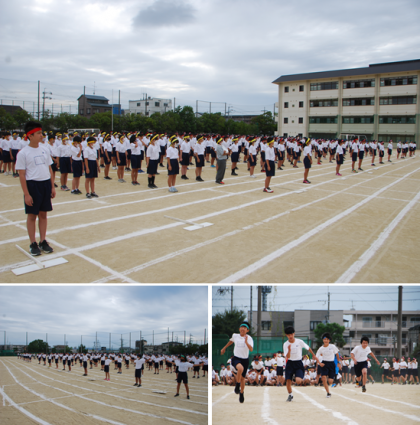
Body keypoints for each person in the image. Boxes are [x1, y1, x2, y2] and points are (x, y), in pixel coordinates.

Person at [16, 121, 56, 256]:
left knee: (43, 214)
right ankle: (33, 243)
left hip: (45, 184)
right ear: (30, 136)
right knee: (32, 215)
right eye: (38, 133)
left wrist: (52, 186)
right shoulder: (23, 153)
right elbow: (22, 174)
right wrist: (26, 194)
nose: (41, 135)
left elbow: (49, 168)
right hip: (33, 185)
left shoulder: (45, 149)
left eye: (41, 132)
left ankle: (43, 241)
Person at [220, 321, 253, 403]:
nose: (243, 329)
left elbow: (251, 349)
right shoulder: (235, 335)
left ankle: (241, 393)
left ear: (247, 330)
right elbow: (231, 341)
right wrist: (224, 348)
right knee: (240, 368)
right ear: (239, 329)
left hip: (245, 359)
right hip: (236, 358)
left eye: (245, 328)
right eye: (241, 327)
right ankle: (237, 385)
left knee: (243, 378)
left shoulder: (249, 338)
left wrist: (246, 342)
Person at [283, 326, 319, 402]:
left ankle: (296, 376)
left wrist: (314, 355)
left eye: (291, 334)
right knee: (288, 381)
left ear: (294, 333)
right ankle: (290, 395)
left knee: (298, 381)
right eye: (288, 335)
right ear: (286, 335)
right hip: (290, 363)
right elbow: (287, 356)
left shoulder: (299, 341)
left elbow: (308, 348)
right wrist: (289, 350)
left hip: (298, 363)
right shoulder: (285, 344)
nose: (290, 336)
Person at [316, 333, 340, 398]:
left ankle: (333, 382)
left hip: (331, 364)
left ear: (329, 340)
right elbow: (316, 356)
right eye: (324, 339)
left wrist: (338, 362)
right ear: (323, 340)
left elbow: (337, 354)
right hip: (324, 364)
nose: (326, 340)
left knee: (330, 381)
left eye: (327, 339)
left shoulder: (332, 346)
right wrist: (319, 363)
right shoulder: (321, 348)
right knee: (324, 379)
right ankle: (328, 393)